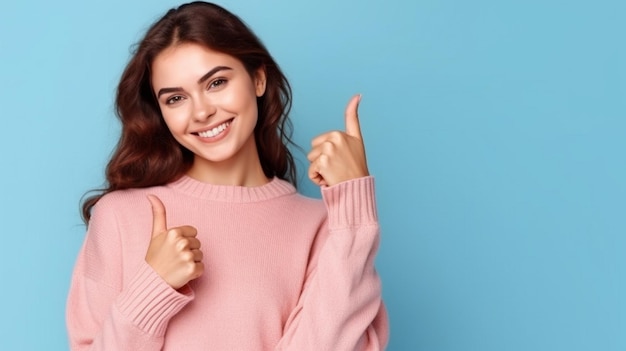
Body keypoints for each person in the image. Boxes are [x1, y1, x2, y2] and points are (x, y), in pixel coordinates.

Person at [66, 1, 389, 350]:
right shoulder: (119, 216)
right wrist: (153, 288)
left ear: (258, 79)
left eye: (216, 82)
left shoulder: (326, 229)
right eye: (175, 98)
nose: (202, 111)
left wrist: (354, 221)